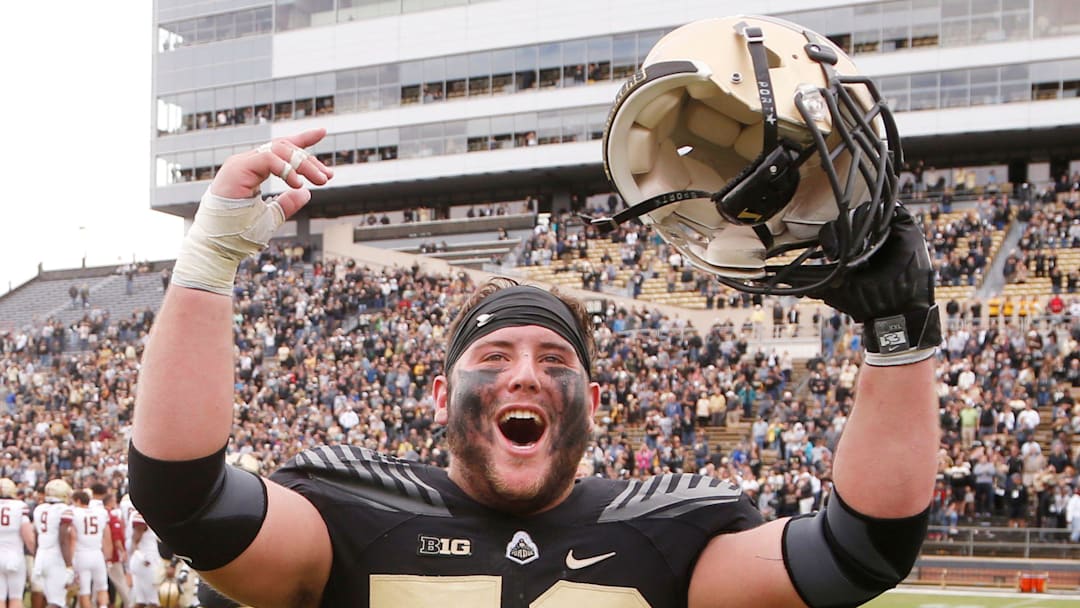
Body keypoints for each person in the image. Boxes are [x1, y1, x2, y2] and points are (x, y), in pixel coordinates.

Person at [129, 17, 939, 608]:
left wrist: (900, 336)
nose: (527, 373)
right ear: (440, 398)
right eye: (495, 357)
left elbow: (862, 550)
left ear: (594, 403)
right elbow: (182, 496)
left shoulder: (670, 534)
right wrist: (208, 261)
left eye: (557, 363)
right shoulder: (352, 515)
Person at [31, 479, 76, 608]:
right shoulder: (63, 509)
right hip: (55, 557)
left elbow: (36, 537)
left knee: (50, 598)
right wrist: (69, 565)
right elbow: (63, 540)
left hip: (41, 556)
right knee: (57, 601)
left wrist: (36, 559)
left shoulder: (39, 509)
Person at [71, 489, 112, 608]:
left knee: (84, 591)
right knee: (102, 588)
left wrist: (71, 561)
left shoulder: (74, 513)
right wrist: (108, 556)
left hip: (81, 554)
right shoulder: (100, 513)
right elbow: (107, 536)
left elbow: (72, 537)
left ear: (78, 501)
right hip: (97, 554)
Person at [0, 479, 33, 608]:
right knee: (16, 598)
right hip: (14, 556)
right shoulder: (19, 506)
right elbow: (28, 535)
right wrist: (35, 552)